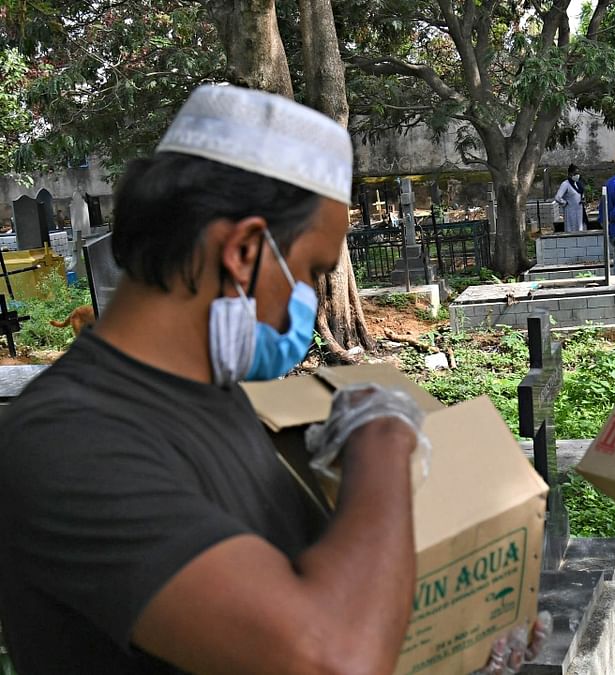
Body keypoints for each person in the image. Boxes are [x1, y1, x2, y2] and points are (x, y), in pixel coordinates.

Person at [0, 85, 548, 674]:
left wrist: (453, 632)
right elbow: (332, 658)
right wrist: (383, 444)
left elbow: (315, 587)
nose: (310, 299)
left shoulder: (221, 400)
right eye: (311, 271)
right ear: (242, 251)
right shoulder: (68, 444)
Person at [554, 164, 586, 232]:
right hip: (570, 212)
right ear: (570, 174)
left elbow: (581, 194)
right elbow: (557, 197)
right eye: (575, 173)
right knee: (571, 229)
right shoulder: (565, 184)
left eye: (578, 173)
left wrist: (583, 199)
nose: (577, 175)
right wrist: (565, 203)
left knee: (581, 229)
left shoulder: (578, 184)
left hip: (580, 211)